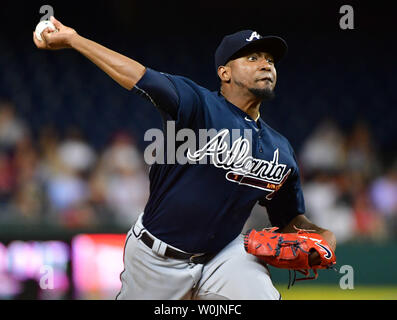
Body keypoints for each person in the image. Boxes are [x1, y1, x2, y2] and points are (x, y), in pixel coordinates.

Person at [33, 16, 336, 300]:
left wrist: (321, 234)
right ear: (224, 72)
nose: (266, 65)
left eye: (270, 60)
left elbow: (289, 218)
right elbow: (140, 77)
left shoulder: (280, 150)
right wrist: (75, 40)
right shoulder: (198, 104)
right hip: (157, 258)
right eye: (252, 58)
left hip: (225, 255)